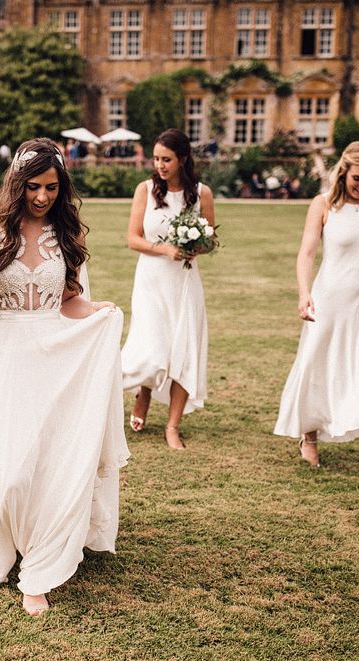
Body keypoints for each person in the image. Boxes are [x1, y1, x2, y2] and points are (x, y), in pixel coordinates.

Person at [0, 138, 129, 617]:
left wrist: (97, 310)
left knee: (50, 457)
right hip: (8, 359)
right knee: (12, 469)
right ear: (17, 185)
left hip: (54, 356)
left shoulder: (67, 232)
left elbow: (68, 300)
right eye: (34, 187)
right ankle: (6, 535)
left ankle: (43, 551)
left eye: (51, 187)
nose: (42, 197)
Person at [122, 128, 215, 450]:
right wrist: (165, 250)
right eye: (157, 158)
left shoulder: (201, 193)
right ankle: (143, 393)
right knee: (152, 347)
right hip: (151, 280)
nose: (160, 165)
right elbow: (132, 238)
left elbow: (210, 239)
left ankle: (173, 426)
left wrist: (194, 246)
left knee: (184, 348)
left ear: (183, 159)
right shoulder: (145, 190)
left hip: (185, 282)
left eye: (167, 159)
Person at [274, 141, 359, 467]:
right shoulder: (323, 204)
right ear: (344, 173)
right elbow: (307, 252)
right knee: (317, 363)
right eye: (357, 178)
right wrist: (303, 292)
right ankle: (308, 435)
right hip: (331, 297)